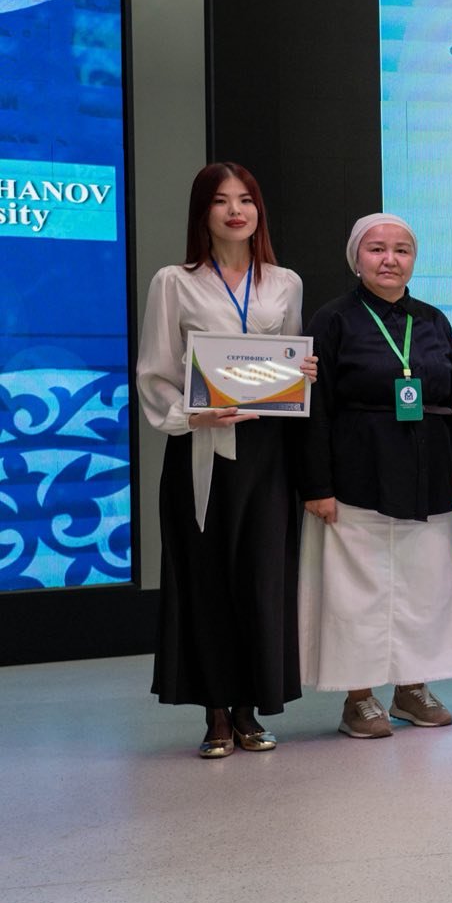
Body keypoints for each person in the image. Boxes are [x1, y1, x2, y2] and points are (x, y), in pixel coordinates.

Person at [137, 162, 316, 758]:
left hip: (267, 450)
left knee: (262, 578)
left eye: (245, 199)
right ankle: (215, 710)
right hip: (202, 447)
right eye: (221, 200)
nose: (235, 211)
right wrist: (192, 416)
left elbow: (289, 362)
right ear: (202, 212)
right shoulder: (174, 281)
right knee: (207, 578)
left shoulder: (284, 282)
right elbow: (155, 370)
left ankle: (249, 708)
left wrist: (302, 374)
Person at [299, 214, 452, 739]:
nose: (390, 260)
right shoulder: (332, 319)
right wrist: (317, 485)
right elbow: (314, 406)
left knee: (424, 587)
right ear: (356, 258)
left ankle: (411, 689)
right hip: (358, 475)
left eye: (402, 250)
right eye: (377, 249)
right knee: (358, 592)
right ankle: (358, 697)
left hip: (427, 473)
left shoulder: (433, 321)